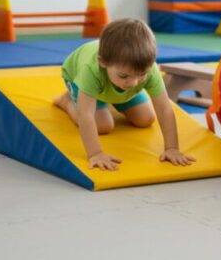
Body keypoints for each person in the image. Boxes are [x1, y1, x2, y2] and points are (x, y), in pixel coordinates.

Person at [52, 18, 196, 170]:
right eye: (124, 76)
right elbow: (86, 115)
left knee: (146, 119)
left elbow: (164, 109)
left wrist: (172, 148)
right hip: (78, 78)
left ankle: (113, 98)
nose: (133, 83)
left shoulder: (148, 69)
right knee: (103, 126)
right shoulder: (90, 70)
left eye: (141, 75)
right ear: (103, 62)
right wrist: (95, 153)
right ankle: (67, 101)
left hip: (114, 86)